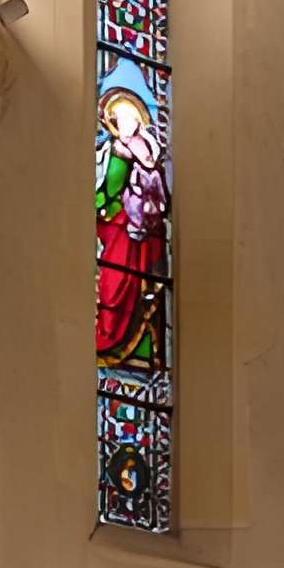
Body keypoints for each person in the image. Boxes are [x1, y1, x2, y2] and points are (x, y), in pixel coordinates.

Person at [96, 86, 168, 367]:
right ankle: (109, 332)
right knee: (114, 277)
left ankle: (141, 340)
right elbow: (105, 193)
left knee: (140, 267)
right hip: (116, 224)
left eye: (131, 117)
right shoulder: (112, 151)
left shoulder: (147, 149)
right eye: (121, 119)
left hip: (140, 226)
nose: (129, 123)